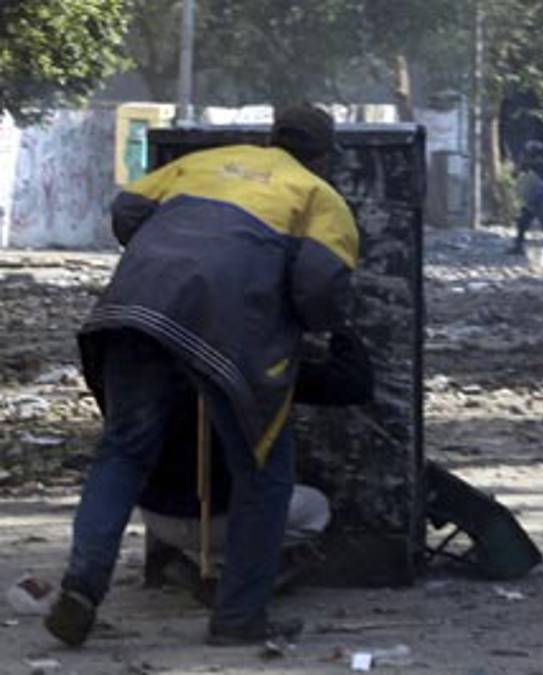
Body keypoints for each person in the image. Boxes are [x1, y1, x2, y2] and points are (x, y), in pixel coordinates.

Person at [45, 104, 359, 648]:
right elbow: (320, 290)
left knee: (122, 453)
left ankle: (81, 586)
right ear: (325, 158)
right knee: (263, 472)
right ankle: (239, 617)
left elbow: (127, 211)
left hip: (134, 310)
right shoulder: (319, 197)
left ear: (272, 137)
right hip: (226, 330)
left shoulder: (208, 163)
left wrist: (176, 253)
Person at [141, 330, 373, 605]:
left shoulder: (160, 356)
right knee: (313, 507)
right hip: (220, 519)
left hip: (156, 517)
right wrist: (340, 326)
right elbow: (353, 384)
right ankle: (236, 578)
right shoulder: (256, 364)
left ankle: (194, 560)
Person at [508, 140, 543, 254]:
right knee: (525, 222)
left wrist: (521, 163)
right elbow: (516, 174)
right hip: (535, 195)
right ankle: (519, 245)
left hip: (539, 196)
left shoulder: (537, 163)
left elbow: (518, 173)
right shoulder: (533, 163)